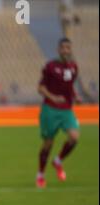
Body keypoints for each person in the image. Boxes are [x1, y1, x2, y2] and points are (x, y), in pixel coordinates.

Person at [36, 38, 82, 188]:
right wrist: (54, 97)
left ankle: (58, 161)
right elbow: (40, 88)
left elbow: (69, 86)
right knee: (48, 144)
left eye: (68, 48)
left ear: (71, 50)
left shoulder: (74, 67)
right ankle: (41, 174)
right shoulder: (50, 66)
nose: (65, 50)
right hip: (50, 109)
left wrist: (76, 96)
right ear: (58, 49)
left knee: (74, 137)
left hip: (66, 110)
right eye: (63, 47)